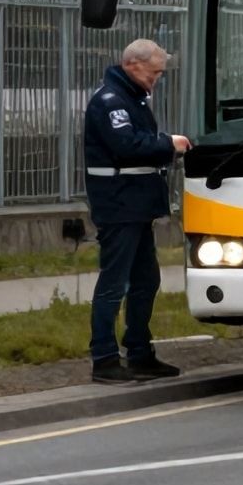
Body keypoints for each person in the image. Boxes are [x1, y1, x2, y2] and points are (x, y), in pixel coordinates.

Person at [84, 40, 192, 384]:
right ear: (133, 65)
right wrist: (168, 143)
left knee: (146, 280)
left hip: (135, 205)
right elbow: (127, 145)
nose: (157, 79)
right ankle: (104, 358)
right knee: (114, 282)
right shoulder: (111, 102)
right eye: (154, 72)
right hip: (119, 205)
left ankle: (140, 353)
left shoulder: (132, 98)